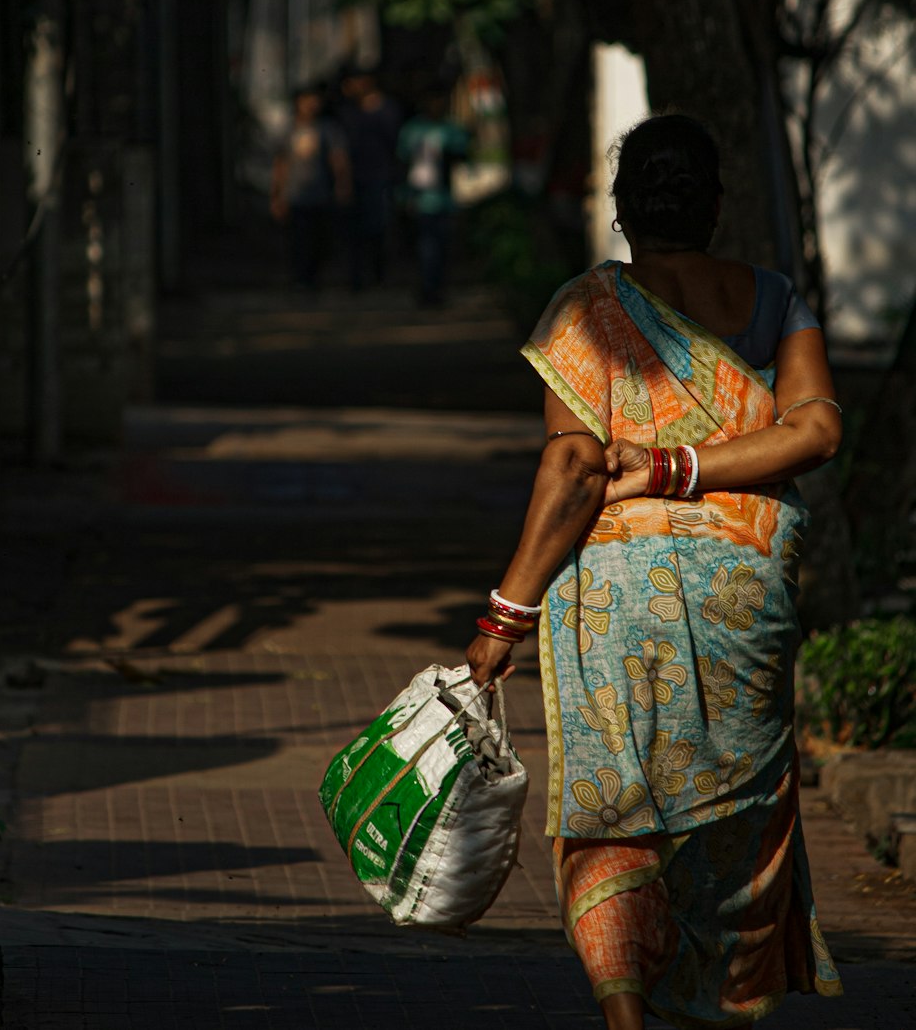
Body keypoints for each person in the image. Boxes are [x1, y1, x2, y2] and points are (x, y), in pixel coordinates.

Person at [465, 113, 844, 1029]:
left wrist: (503, 617)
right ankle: (723, 1004)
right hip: (743, 599)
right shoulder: (773, 299)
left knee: (612, 811)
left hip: (610, 600)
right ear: (714, 205)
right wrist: (692, 468)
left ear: (623, 210)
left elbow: (572, 468)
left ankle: (625, 1011)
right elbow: (816, 432)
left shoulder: (583, 310)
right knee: (732, 812)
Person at [270, 83, 351, 290]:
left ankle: (314, 278)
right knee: (298, 240)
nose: (311, 105)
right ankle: (300, 279)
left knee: (319, 241)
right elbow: (281, 164)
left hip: (321, 194)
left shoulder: (328, 129)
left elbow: (338, 160)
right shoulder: (289, 129)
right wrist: (277, 194)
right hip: (295, 195)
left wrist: (342, 185)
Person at [396, 86, 469, 306]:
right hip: (420, 199)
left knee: (442, 248)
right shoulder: (413, 130)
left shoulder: (451, 130)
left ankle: (438, 288)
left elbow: (462, 157)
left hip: (445, 199)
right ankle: (427, 289)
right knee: (425, 248)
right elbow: (403, 162)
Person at [337, 67, 403, 290]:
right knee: (353, 231)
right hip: (353, 177)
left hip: (380, 176)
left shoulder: (387, 109)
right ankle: (356, 277)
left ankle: (378, 273)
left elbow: (395, 144)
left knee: (377, 228)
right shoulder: (348, 111)